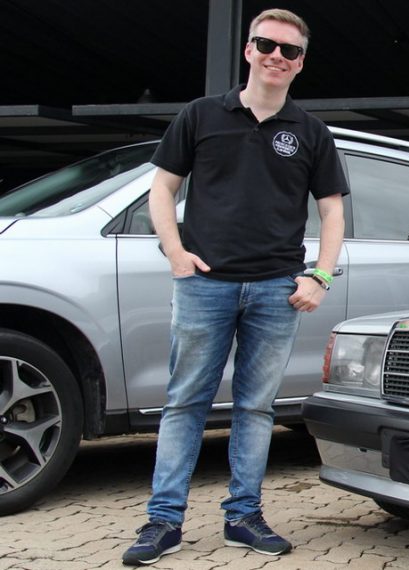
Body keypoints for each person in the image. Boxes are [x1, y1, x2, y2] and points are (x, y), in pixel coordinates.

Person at [122, 8, 348, 566]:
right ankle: (163, 522)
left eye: (290, 50)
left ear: (301, 63)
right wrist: (175, 252)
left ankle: (243, 517)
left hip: (277, 289)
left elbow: (332, 211)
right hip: (205, 285)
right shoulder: (201, 115)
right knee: (185, 403)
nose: (277, 56)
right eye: (266, 45)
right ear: (248, 50)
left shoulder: (311, 132)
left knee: (256, 408)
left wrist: (320, 275)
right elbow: (162, 188)